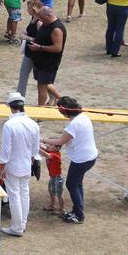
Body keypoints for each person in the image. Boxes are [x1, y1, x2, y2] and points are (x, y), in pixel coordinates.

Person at [42, 96, 96, 224]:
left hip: (81, 160)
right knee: (77, 184)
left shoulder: (74, 125)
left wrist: (43, 140)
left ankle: (79, 215)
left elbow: (61, 142)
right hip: (89, 157)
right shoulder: (83, 117)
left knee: (71, 184)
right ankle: (78, 210)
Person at [0, 92, 39, 238]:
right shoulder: (33, 124)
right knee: (24, 193)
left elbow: (6, 150)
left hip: (13, 165)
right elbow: (35, 149)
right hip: (26, 163)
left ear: (11, 107)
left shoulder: (9, 125)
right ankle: (22, 224)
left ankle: (17, 227)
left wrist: (2, 168)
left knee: (15, 194)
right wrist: (31, 160)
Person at [24, 3, 66, 106]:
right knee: (45, 84)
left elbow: (57, 48)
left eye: (42, 18)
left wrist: (40, 47)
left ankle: (41, 111)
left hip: (48, 63)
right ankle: (63, 101)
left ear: (48, 16)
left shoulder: (56, 29)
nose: (41, 20)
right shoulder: (46, 24)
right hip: (40, 61)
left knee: (41, 88)